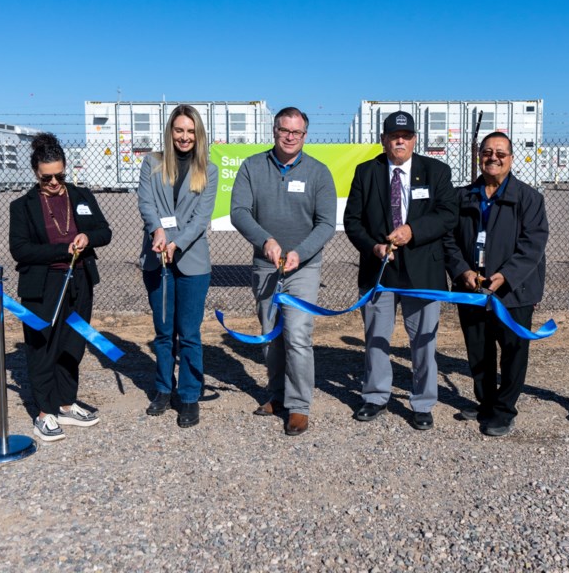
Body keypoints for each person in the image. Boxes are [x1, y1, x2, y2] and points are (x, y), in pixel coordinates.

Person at [344, 111, 457, 430]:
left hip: (422, 271)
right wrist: (373, 247)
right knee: (376, 337)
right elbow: (352, 220)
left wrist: (413, 231)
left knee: (423, 340)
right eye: (394, 136)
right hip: (379, 270)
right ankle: (376, 396)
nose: (400, 141)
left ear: (414, 139)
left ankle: (422, 402)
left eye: (406, 136)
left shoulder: (435, 171)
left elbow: (448, 214)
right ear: (383, 140)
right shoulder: (366, 172)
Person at [230, 107, 336, 436]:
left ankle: (299, 406)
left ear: (305, 136)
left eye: (297, 132)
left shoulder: (319, 173)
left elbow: (326, 224)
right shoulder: (252, 167)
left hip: (302, 267)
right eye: (284, 130)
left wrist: (299, 253)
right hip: (267, 266)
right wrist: (266, 242)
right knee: (270, 336)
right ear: (274, 130)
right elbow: (239, 211)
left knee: (298, 336)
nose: (290, 137)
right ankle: (277, 396)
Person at [443, 132, 548, 436]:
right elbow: (448, 240)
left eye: (501, 153)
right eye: (487, 152)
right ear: (479, 156)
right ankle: (485, 401)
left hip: (513, 291)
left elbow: (533, 244)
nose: (493, 157)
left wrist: (507, 275)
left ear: (511, 158)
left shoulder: (528, 198)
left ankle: (504, 409)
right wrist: (462, 270)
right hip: (471, 288)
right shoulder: (462, 196)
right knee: (478, 348)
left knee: (513, 350)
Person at [9, 132, 112, 442]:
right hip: (41, 286)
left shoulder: (81, 197)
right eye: (47, 178)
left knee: (73, 343)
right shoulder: (22, 206)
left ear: (66, 169)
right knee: (42, 346)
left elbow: (104, 232)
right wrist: (63, 249)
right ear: (35, 173)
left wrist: (87, 238)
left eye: (59, 175)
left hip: (79, 282)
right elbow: (21, 250)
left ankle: (66, 404)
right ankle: (44, 413)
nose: (54, 182)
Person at [138, 105, 218, 428]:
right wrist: (157, 230)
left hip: (192, 261)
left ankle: (188, 395)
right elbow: (145, 202)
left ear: (198, 134)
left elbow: (201, 218)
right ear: (170, 131)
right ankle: (162, 388)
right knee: (163, 331)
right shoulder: (152, 163)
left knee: (189, 333)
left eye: (190, 131)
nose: (184, 137)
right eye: (179, 130)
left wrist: (177, 242)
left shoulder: (208, 170)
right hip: (156, 257)